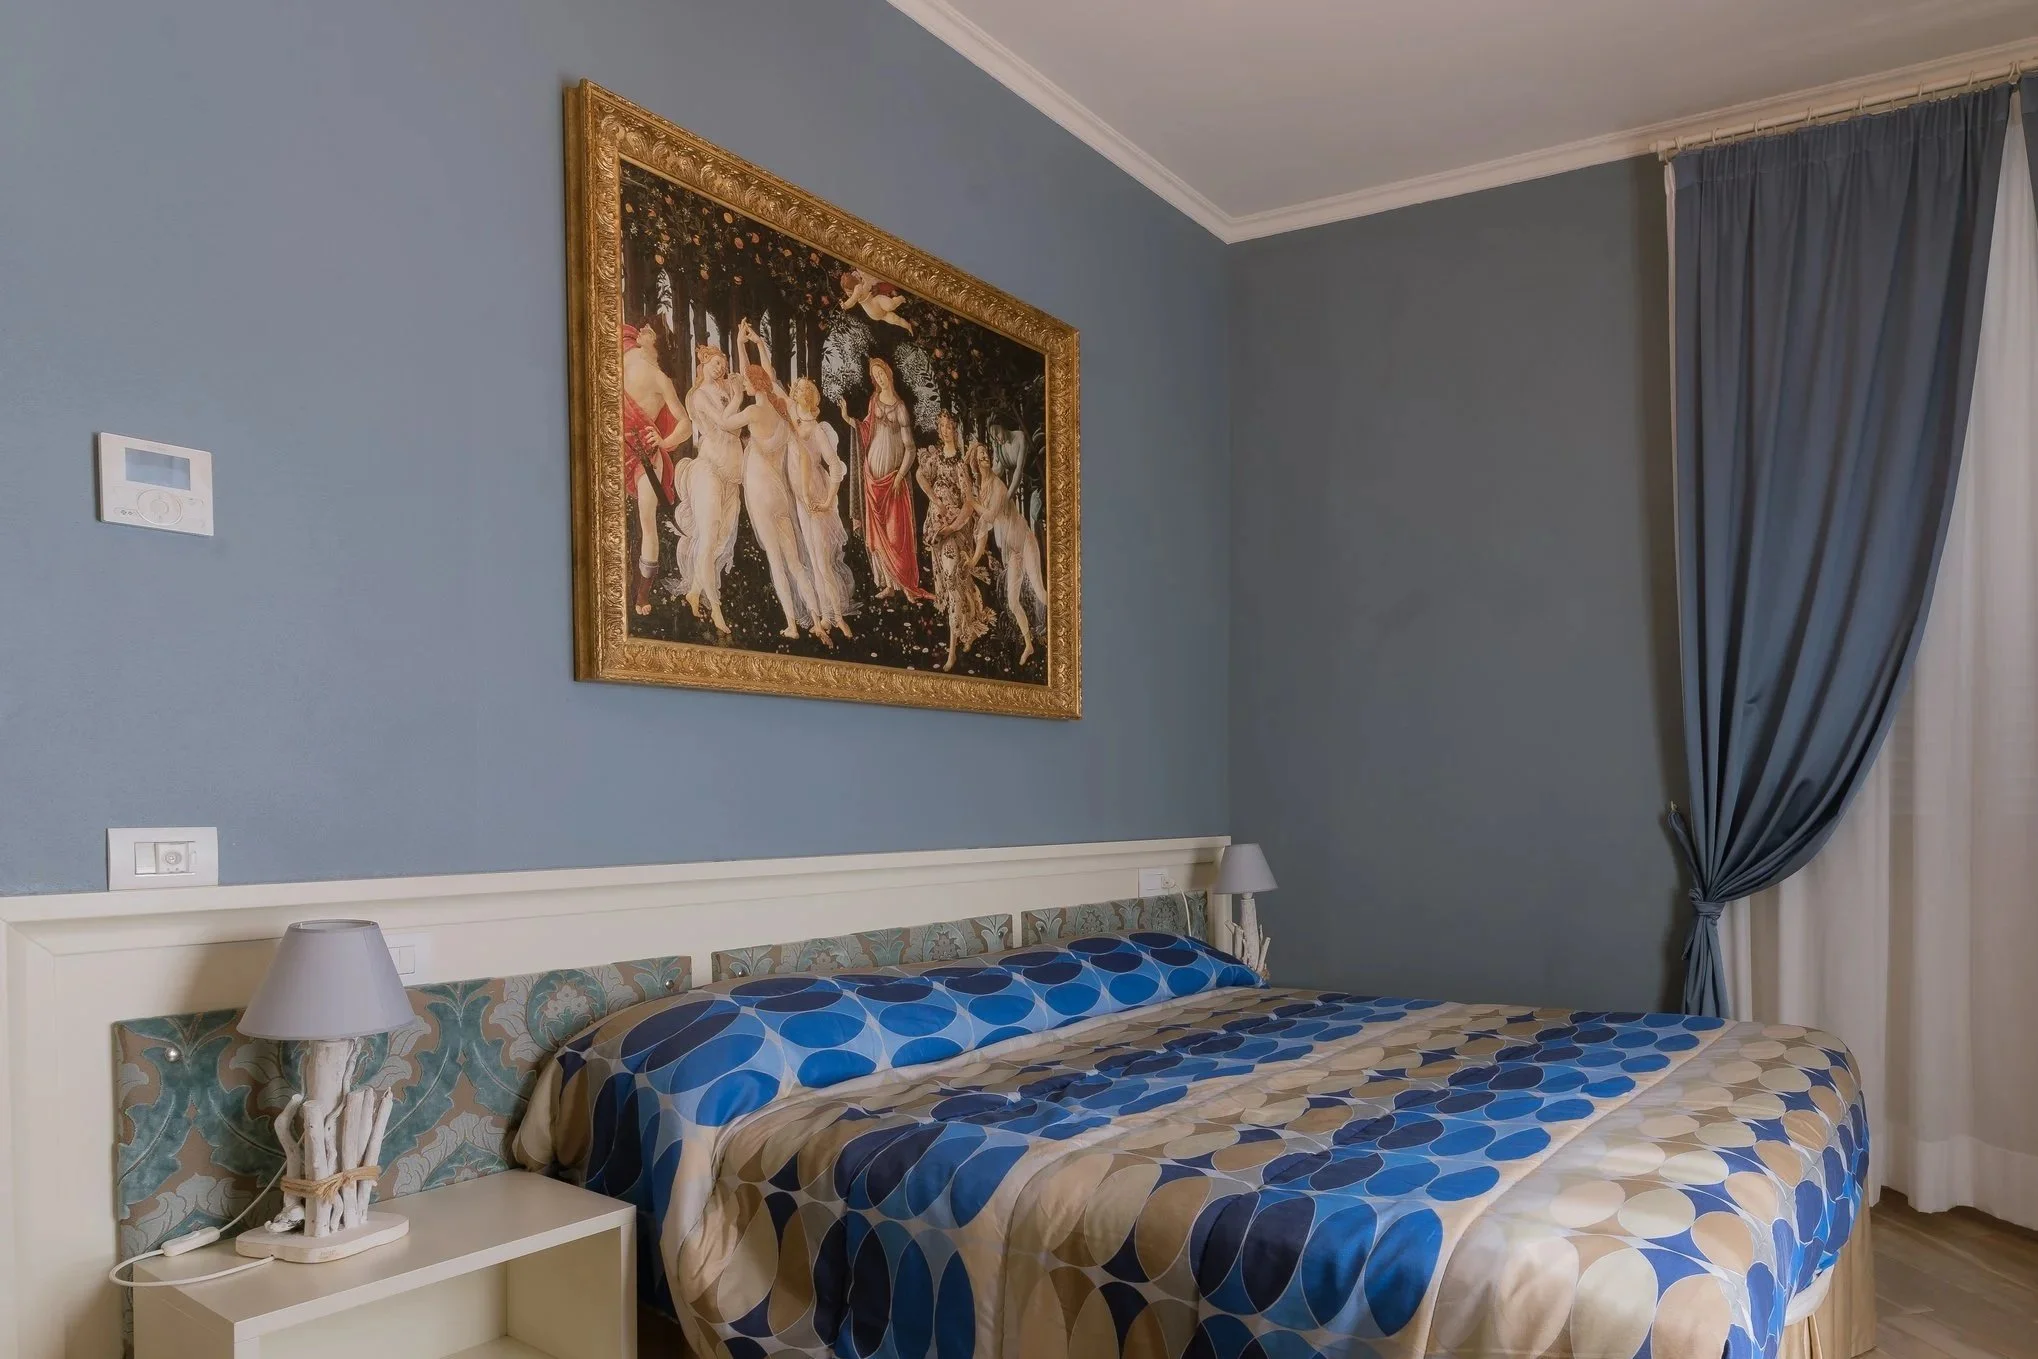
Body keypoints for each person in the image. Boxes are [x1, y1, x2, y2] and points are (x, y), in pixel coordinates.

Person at [702, 320, 823, 642]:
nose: (742, 382)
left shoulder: (753, 413)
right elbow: (763, 373)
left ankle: (793, 625)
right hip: (781, 493)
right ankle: (817, 619)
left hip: (760, 492)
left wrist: (735, 396)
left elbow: (727, 423)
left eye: (746, 383)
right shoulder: (781, 410)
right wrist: (746, 344)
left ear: (752, 387)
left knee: (776, 560)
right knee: (796, 561)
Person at [838, 357, 931, 603]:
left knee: (895, 534)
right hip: (872, 477)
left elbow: (910, 449)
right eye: (875, 375)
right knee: (877, 536)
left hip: (892, 480)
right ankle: (889, 584)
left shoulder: (900, 408)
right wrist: (848, 418)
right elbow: (865, 430)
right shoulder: (874, 401)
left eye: (882, 374)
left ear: (889, 375)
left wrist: (900, 476)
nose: (879, 378)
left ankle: (906, 584)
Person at [673, 344, 745, 634]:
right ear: (703, 364)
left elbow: (737, 426)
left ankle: (694, 591)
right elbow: (726, 423)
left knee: (719, 541)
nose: (721, 368)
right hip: (709, 471)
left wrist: (740, 343)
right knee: (709, 536)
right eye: (716, 363)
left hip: (731, 476)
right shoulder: (700, 396)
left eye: (724, 363)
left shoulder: (725, 390)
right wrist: (738, 396)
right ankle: (716, 609)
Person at [620, 323, 691, 616]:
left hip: (643, 453)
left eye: (651, 331)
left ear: (658, 344)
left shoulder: (662, 379)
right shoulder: (626, 349)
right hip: (614, 442)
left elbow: (685, 424)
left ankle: (642, 594)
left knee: (646, 521)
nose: (645, 328)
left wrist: (664, 440)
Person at [918, 411, 991, 671]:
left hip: (952, 532)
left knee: (952, 583)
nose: (945, 430)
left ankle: (952, 652)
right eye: (942, 426)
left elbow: (969, 504)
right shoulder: (935, 458)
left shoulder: (960, 465)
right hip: (935, 530)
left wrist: (951, 527)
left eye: (950, 426)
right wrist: (933, 499)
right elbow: (919, 476)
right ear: (939, 430)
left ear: (955, 431)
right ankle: (965, 630)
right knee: (954, 585)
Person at [967, 437, 1048, 665]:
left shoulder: (998, 485)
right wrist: (974, 558)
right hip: (1014, 552)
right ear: (974, 460)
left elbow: (990, 515)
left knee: (1040, 591)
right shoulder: (981, 489)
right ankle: (1029, 645)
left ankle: (1065, 625)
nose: (984, 457)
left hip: (1025, 544)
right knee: (1013, 602)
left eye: (986, 454)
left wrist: (970, 502)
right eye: (980, 454)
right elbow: (983, 528)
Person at [787, 377, 855, 640]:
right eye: (798, 388)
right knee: (811, 561)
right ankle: (825, 616)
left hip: (815, 497)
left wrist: (828, 501)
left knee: (822, 562)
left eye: (806, 389)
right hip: (798, 495)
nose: (800, 391)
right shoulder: (792, 416)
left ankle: (837, 617)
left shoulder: (816, 431)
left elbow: (835, 466)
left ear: (812, 398)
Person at [838, 268, 914, 334]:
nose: (855, 275)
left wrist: (845, 305)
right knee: (895, 319)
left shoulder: (859, 287)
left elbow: (854, 297)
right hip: (875, 312)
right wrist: (845, 305)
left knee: (891, 308)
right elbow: (853, 300)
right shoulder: (858, 288)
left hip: (875, 305)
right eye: (853, 276)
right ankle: (907, 326)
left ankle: (901, 299)